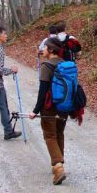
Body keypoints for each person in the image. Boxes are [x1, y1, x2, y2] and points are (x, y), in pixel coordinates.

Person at [29, 37, 69, 185]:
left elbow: (43, 90)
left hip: (49, 107)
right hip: (64, 107)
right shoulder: (65, 64)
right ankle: (60, 164)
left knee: (50, 135)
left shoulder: (46, 65)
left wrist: (35, 111)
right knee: (59, 133)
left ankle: (58, 167)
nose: (43, 49)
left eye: (45, 47)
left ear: (51, 50)